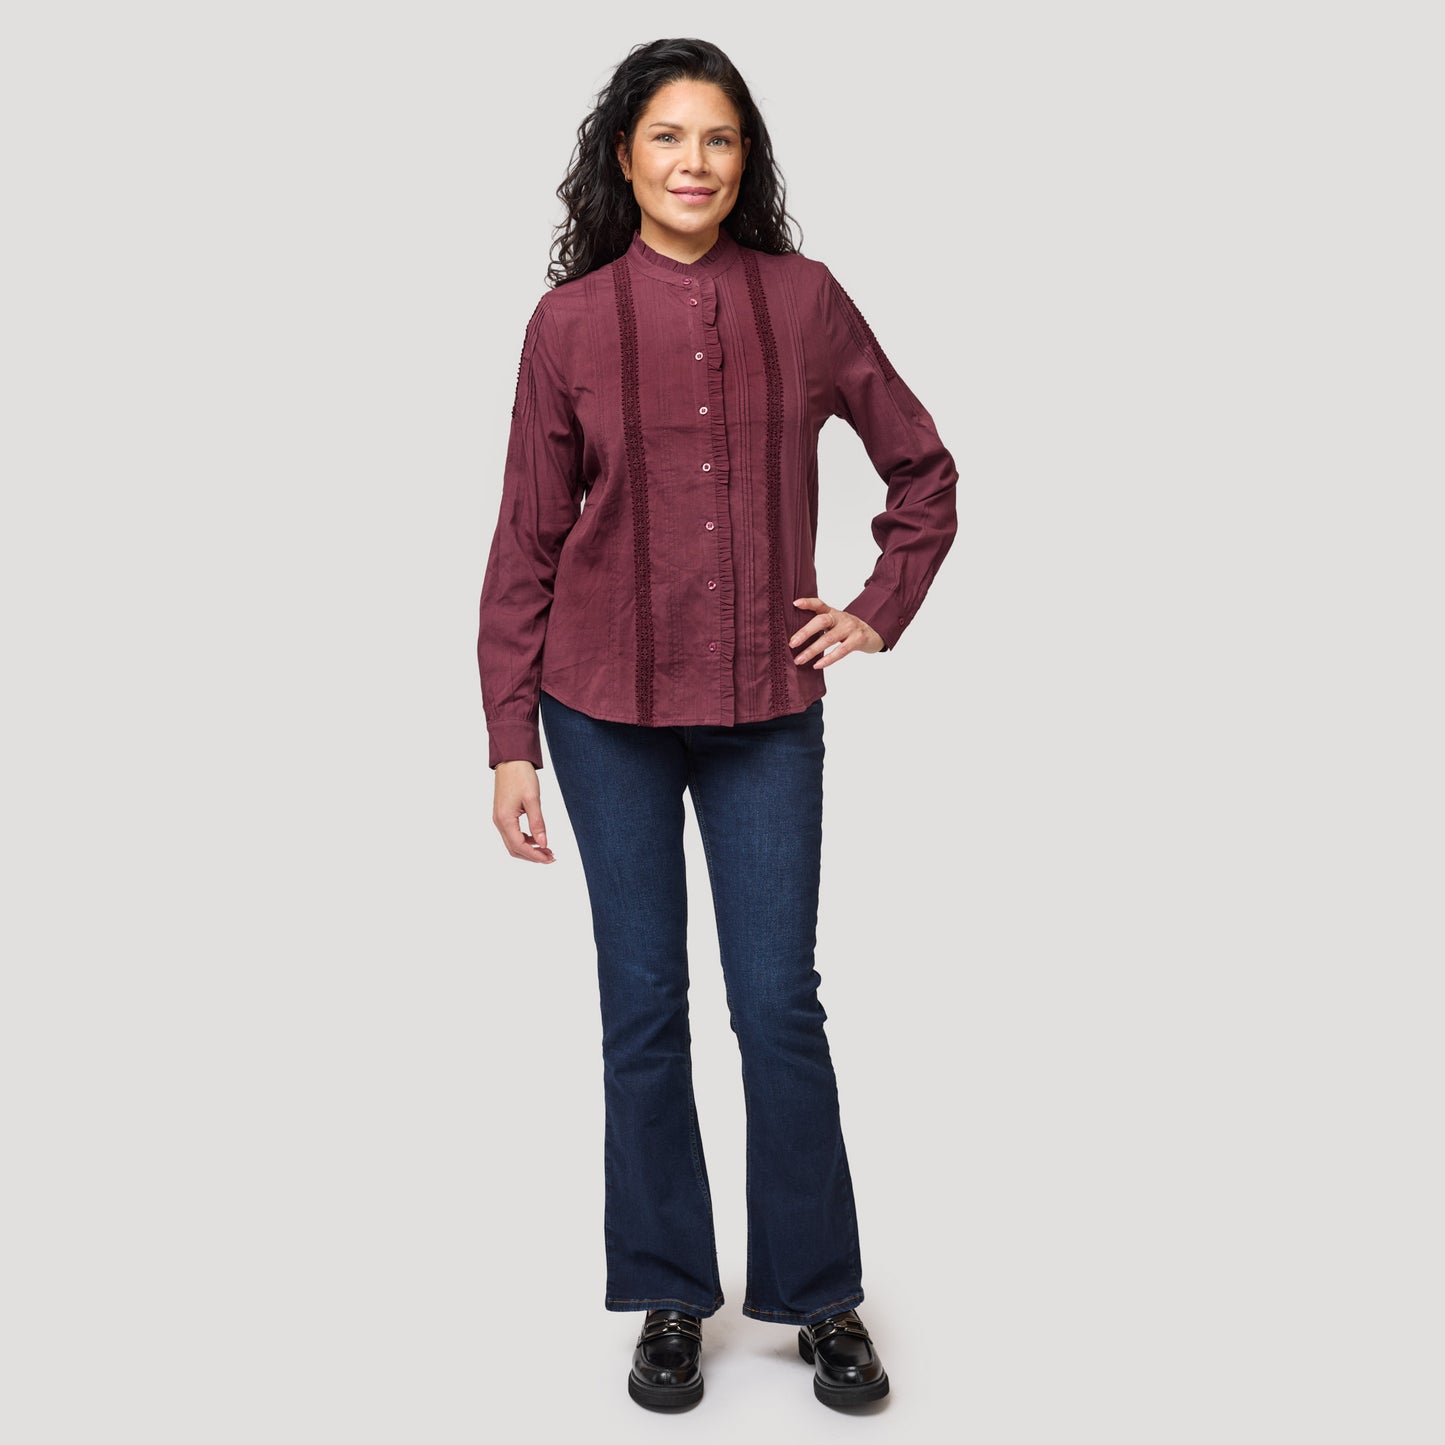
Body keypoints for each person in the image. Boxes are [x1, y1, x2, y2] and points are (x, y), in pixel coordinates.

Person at [476, 37, 958, 1412]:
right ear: (624, 159)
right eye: (668, 137)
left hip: (764, 707)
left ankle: (818, 1295)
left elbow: (921, 470)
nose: (695, 162)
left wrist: (875, 609)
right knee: (641, 1007)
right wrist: (509, 736)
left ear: (746, 161)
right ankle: (670, 1295)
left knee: (776, 1003)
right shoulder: (568, 325)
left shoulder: (804, 302)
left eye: (720, 138)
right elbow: (526, 536)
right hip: (601, 708)